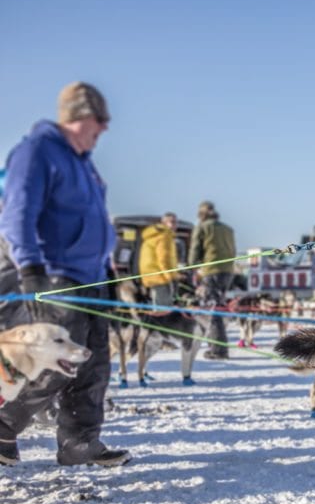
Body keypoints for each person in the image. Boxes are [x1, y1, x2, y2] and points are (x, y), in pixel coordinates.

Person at [0, 81, 129, 467]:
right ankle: (4, 424)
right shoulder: (37, 152)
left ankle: (79, 442)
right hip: (55, 275)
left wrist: (109, 274)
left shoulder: (84, 164)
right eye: (99, 119)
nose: (104, 128)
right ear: (79, 116)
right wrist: (31, 268)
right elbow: (18, 213)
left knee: (93, 364)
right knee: (54, 362)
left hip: (91, 278)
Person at [188, 200, 237, 359]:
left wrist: (191, 267)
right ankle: (217, 345)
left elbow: (195, 250)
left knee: (212, 310)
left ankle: (218, 350)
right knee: (218, 308)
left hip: (212, 271)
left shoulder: (202, 227)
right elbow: (233, 251)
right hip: (228, 272)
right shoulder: (228, 229)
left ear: (201, 214)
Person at [138, 212, 180, 306]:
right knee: (164, 309)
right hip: (160, 278)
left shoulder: (153, 236)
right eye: (172, 222)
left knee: (158, 306)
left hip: (151, 276)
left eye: (176, 222)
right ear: (164, 223)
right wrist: (171, 278)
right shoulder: (164, 236)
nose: (175, 225)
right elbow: (164, 260)